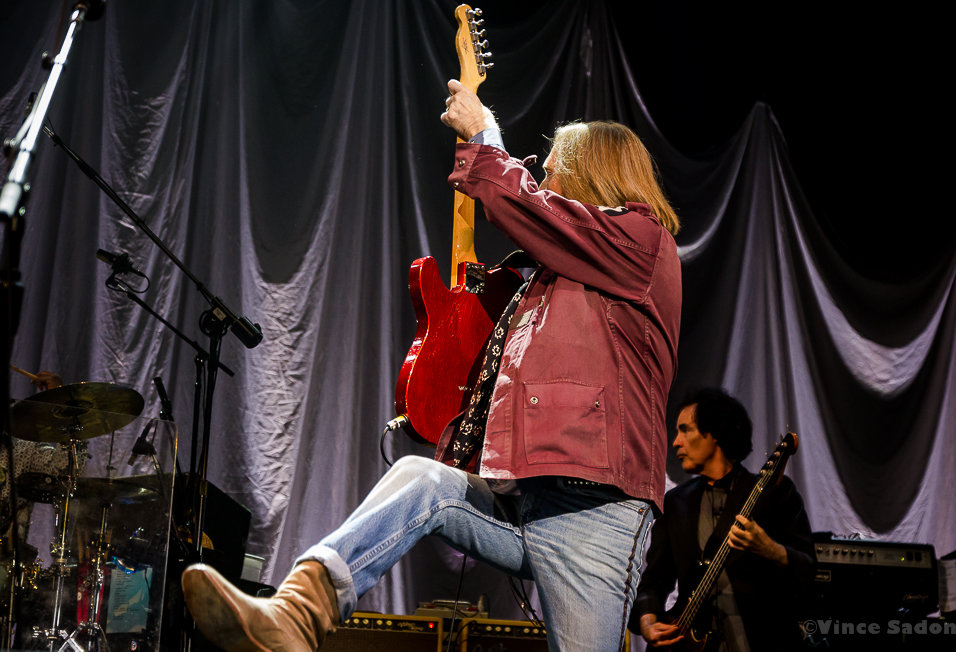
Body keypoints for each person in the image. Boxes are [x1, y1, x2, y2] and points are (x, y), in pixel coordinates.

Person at [182, 78, 682, 652]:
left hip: (596, 513)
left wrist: (484, 134)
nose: (544, 183)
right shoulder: (553, 279)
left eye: (552, 172)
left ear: (592, 176)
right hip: (525, 497)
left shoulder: (642, 244)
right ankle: (297, 613)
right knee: (422, 480)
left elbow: (529, 208)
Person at [629, 389, 816, 651]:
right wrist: (648, 622)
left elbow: (808, 568)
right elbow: (654, 580)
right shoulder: (675, 502)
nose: (676, 442)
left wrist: (770, 550)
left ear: (715, 433)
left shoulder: (775, 492)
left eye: (685, 430)